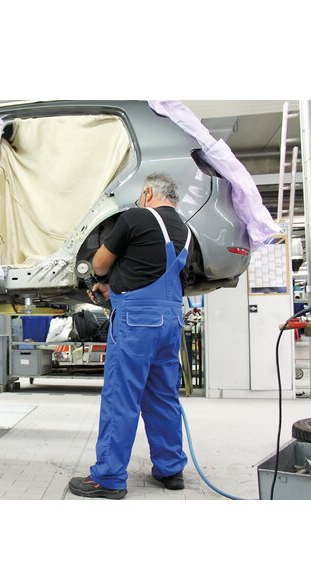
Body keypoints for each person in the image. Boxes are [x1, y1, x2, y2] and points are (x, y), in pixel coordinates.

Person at [69, 173, 192, 500]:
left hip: (137, 324)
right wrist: (118, 287)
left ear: (148, 192)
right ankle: (170, 469)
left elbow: (99, 264)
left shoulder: (136, 217)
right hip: (170, 322)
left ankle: (109, 477)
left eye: (140, 194)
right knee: (163, 396)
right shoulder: (186, 231)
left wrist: (106, 278)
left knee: (121, 398)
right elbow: (161, 274)